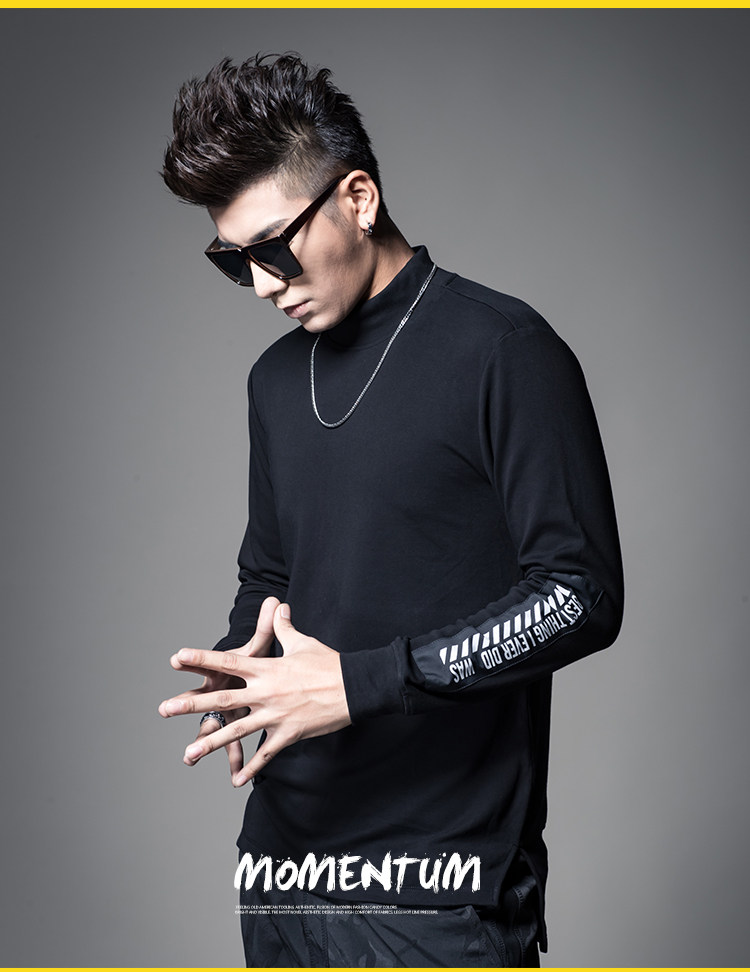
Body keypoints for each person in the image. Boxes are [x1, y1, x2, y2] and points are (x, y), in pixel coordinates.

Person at [158, 53, 623, 968]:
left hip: (439, 888)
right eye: (233, 262)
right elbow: (273, 570)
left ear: (359, 199)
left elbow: (580, 594)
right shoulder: (273, 382)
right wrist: (242, 663)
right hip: (285, 873)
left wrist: (362, 683)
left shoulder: (504, 351)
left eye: (273, 248)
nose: (262, 284)